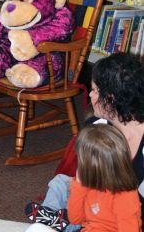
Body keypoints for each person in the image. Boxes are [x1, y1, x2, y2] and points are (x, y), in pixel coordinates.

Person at [25, 52, 144, 231]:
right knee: (61, 183)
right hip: (94, 199)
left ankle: (58, 223)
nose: (90, 96)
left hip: (124, 212)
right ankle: (51, 223)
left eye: (95, 90)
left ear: (110, 99)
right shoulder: (96, 127)